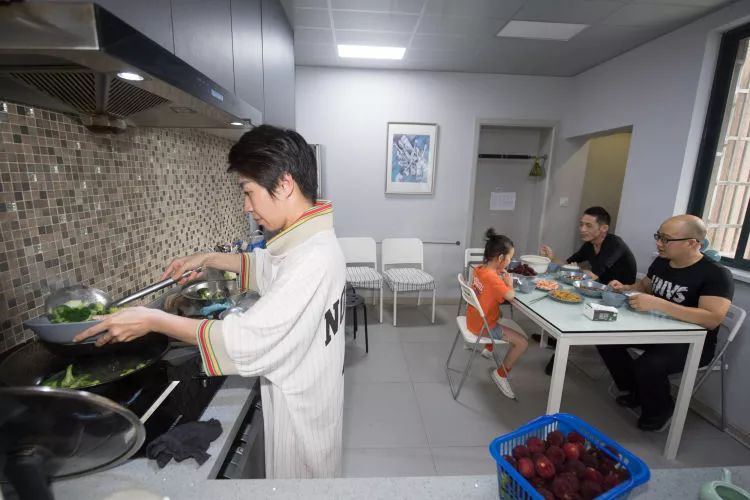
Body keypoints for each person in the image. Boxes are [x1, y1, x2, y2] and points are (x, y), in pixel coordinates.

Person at [75, 125, 347, 478]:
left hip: (302, 418)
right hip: (310, 402)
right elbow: (269, 267)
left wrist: (153, 319)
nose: (247, 206)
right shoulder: (311, 243)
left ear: (284, 184)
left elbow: (245, 339)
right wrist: (208, 258)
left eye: (248, 191)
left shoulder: (312, 259)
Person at [604, 215, 733, 431]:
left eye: (666, 239)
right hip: (656, 330)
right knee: (606, 339)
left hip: (693, 343)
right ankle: (637, 390)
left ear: (692, 243)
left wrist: (660, 304)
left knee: (648, 365)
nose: (659, 243)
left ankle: (660, 409)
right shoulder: (662, 262)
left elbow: (712, 319)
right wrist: (625, 288)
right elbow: (645, 287)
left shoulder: (716, 274)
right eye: (658, 236)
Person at [539, 206, 637, 374]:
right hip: (599, 291)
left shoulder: (614, 244)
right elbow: (568, 265)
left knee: (570, 308)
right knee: (560, 303)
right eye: (581, 224)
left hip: (619, 298)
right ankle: (558, 339)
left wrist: (578, 271)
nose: (582, 229)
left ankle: (559, 354)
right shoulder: (589, 245)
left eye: (588, 225)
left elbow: (592, 274)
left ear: (603, 228)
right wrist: (552, 258)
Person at [466, 229, 529, 399]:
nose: (509, 262)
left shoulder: (480, 269)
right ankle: (500, 374)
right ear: (500, 258)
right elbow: (510, 296)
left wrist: (498, 276)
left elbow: (490, 287)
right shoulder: (493, 279)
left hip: (473, 320)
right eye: (509, 258)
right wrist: (509, 284)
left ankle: (488, 348)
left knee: (497, 312)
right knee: (522, 343)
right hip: (484, 327)